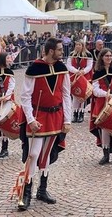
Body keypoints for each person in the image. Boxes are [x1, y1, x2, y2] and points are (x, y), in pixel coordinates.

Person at [17, 38, 71, 210]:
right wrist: (31, 120)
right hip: (38, 116)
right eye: (59, 49)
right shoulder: (34, 69)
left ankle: (42, 189)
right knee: (33, 154)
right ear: (50, 51)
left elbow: (65, 95)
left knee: (46, 153)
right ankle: (26, 191)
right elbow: (25, 97)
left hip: (56, 116)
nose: (62, 52)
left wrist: (67, 120)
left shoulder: (62, 69)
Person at [66, 39, 93, 123]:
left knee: (82, 95)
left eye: (79, 45)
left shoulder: (88, 54)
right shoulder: (71, 54)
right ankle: (74, 113)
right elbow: (69, 65)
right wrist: (76, 71)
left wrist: (83, 71)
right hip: (74, 76)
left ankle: (81, 113)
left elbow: (89, 66)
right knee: (75, 95)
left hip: (84, 77)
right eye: (76, 44)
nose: (78, 46)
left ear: (82, 46)